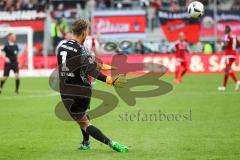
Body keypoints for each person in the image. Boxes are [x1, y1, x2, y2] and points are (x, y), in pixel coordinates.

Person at [56, 19, 128, 152]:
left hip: (68, 91)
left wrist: (104, 68)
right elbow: (90, 68)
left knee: (84, 123)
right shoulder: (82, 49)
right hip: (84, 90)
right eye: (87, 31)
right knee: (84, 117)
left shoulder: (61, 47)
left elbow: (82, 65)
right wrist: (109, 79)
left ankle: (111, 143)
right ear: (83, 32)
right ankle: (86, 142)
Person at [218, 26, 240, 91]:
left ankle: (237, 81)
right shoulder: (235, 36)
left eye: (225, 30)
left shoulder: (227, 36)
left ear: (227, 30)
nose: (224, 31)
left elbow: (226, 45)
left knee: (227, 69)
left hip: (229, 54)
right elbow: (239, 45)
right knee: (226, 70)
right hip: (234, 54)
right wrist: (233, 48)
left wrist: (222, 45)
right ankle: (224, 87)